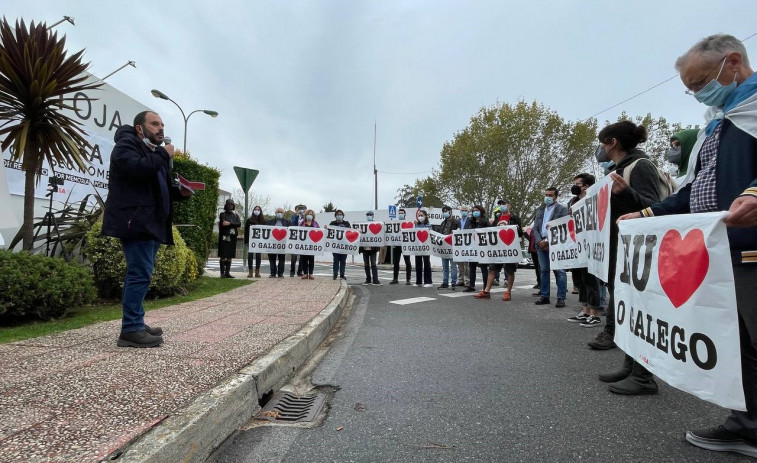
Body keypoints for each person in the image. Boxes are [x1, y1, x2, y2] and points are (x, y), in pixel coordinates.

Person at [620, 34, 757, 458]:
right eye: (691, 88)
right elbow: (696, 188)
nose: (697, 94)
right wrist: (648, 215)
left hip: (751, 250)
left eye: (700, 83)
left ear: (732, 63)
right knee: (741, 345)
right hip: (722, 252)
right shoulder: (720, 122)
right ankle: (747, 424)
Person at [589, 120, 671, 396]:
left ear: (612, 142)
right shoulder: (617, 170)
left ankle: (644, 375)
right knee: (625, 307)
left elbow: (652, 207)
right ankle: (630, 364)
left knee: (639, 309)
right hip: (618, 250)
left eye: (603, 142)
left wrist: (626, 193)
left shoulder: (641, 166)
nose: (601, 148)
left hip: (637, 252)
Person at [102, 110, 190, 348]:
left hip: (150, 222)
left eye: (162, 124)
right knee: (139, 274)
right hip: (135, 220)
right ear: (140, 128)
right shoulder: (126, 146)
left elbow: (156, 186)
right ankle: (130, 329)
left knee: (143, 273)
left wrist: (179, 193)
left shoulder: (152, 152)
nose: (160, 128)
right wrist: (162, 153)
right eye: (154, 124)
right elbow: (136, 170)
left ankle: (136, 322)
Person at [565, 174, 602, 327]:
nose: (575, 186)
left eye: (578, 184)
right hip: (576, 246)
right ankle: (585, 311)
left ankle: (595, 314)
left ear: (586, 186)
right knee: (579, 281)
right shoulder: (573, 202)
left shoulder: (594, 199)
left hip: (590, 246)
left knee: (590, 281)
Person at [474, 203, 523, 301]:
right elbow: (491, 231)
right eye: (500, 205)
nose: (501, 206)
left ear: (509, 205)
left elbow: (521, 233)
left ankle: (508, 292)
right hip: (497, 249)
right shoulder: (498, 217)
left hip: (510, 248)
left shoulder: (514, 218)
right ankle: (486, 291)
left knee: (510, 271)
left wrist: (516, 229)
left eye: (503, 204)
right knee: (492, 269)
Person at [532, 187, 569, 307]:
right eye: (546, 194)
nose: (547, 197)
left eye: (550, 195)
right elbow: (536, 227)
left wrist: (548, 241)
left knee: (559, 271)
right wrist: (539, 241)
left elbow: (563, 226)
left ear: (556, 197)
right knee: (544, 271)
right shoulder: (540, 210)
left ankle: (561, 297)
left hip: (556, 243)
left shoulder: (562, 209)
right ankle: (545, 296)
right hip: (540, 244)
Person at [464, 204, 489, 292]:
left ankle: (486, 286)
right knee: (472, 267)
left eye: (477, 210)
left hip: (482, 248)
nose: (475, 212)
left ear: (481, 212)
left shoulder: (485, 222)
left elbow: (489, 233)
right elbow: (466, 231)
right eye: (474, 211)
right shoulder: (470, 221)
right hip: (472, 248)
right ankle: (471, 286)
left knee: (483, 268)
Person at [437, 205, 459, 289]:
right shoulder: (443, 223)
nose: (445, 213)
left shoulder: (456, 222)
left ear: (451, 211)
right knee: (445, 266)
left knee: (453, 266)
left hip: (452, 247)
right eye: (444, 212)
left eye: (446, 211)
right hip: (444, 247)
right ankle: (445, 282)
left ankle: (453, 282)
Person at [218, 199, 241, 278]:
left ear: (233, 206)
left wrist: (230, 223)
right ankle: (222, 273)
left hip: (233, 236)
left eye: (231, 204)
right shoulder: (222, 214)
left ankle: (227, 272)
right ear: (226, 205)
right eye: (228, 204)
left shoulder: (235, 215)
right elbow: (223, 223)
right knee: (223, 254)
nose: (230, 206)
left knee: (230, 255)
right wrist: (232, 224)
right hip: (225, 236)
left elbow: (239, 224)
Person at [389, 208, 412, 285]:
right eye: (399, 213)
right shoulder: (395, 223)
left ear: (405, 214)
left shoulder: (408, 223)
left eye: (402, 213)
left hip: (405, 245)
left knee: (407, 262)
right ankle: (395, 279)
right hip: (397, 244)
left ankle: (408, 279)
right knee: (396, 262)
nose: (400, 215)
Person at [360, 210, 382, 285]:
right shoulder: (363, 225)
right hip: (365, 248)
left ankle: (375, 280)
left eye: (370, 215)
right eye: (367, 215)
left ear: (373, 216)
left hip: (373, 249)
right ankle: (368, 279)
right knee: (366, 264)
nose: (369, 216)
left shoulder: (376, 224)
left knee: (373, 264)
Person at [244, 205, 266, 278]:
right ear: (253, 211)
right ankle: (250, 272)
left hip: (259, 242)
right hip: (250, 241)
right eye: (255, 209)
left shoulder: (263, 221)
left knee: (258, 256)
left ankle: (257, 272)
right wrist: (246, 242)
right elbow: (246, 232)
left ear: (260, 211)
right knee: (250, 256)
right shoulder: (249, 220)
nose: (257, 211)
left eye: (258, 210)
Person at [267, 207, 289, 278]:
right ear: (275, 213)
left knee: (281, 259)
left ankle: (280, 274)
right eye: (278, 212)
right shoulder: (269, 222)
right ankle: (273, 273)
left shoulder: (288, 223)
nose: (280, 214)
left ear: (283, 213)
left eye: (281, 212)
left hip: (283, 244)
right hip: (272, 244)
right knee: (272, 259)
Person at [328, 209, 350, 280]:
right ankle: (335, 274)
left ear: (343, 216)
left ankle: (342, 275)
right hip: (335, 246)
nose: (339, 216)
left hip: (344, 245)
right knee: (336, 260)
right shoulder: (332, 223)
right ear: (335, 216)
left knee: (343, 261)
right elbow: (329, 231)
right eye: (338, 215)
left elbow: (350, 231)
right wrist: (326, 228)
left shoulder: (347, 223)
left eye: (340, 214)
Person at [414, 209, 433, 287]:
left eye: (422, 215)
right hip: (418, 247)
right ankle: (418, 281)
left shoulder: (429, 225)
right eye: (419, 215)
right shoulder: (416, 225)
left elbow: (430, 234)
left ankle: (428, 282)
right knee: (418, 263)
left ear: (425, 216)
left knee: (426, 263)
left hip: (426, 247)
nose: (420, 217)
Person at [298, 209, 319, 279]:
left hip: (312, 245)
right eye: (308, 214)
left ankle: (311, 273)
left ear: (313, 216)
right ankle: (305, 273)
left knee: (311, 259)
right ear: (306, 215)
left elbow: (319, 232)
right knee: (303, 259)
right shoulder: (302, 223)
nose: (310, 215)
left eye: (311, 214)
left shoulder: (315, 224)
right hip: (303, 244)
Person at [456, 205, 471, 288]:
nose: (464, 211)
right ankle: (461, 280)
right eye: (463, 210)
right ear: (460, 211)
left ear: (468, 211)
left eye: (465, 210)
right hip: (459, 243)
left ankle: (467, 280)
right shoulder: (458, 221)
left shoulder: (470, 220)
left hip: (467, 244)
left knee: (466, 264)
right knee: (460, 263)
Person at [290, 204, 306, 277]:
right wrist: (297, 215)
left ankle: (300, 271)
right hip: (295, 239)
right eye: (299, 209)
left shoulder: (306, 217)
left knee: (302, 257)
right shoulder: (294, 217)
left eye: (302, 209)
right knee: (294, 256)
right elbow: (293, 224)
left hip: (303, 239)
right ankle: (292, 271)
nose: (301, 210)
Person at [525, 226, 541, 290]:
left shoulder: (539, 229)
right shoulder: (533, 230)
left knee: (540, 268)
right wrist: (525, 234)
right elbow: (530, 239)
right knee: (537, 268)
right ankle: (539, 282)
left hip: (538, 250)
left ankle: (541, 283)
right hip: (532, 251)